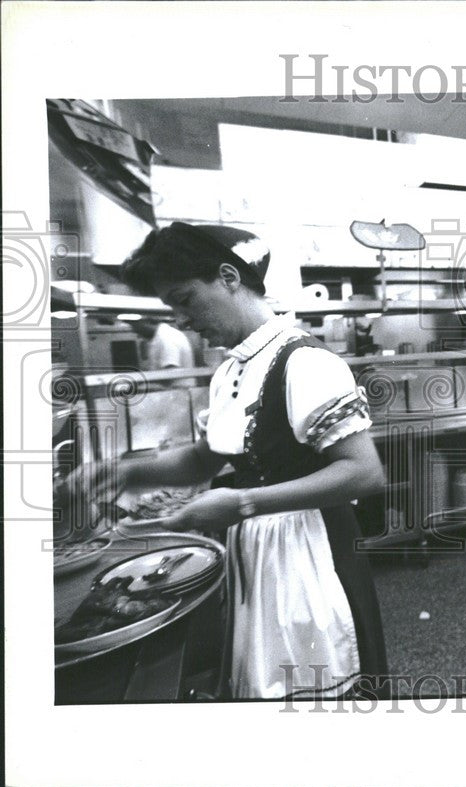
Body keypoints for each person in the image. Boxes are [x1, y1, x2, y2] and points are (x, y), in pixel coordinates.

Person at [71, 221, 388, 700]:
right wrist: (125, 470)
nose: (180, 319)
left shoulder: (306, 363)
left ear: (229, 277)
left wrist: (241, 503)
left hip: (310, 552)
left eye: (185, 299)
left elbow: (364, 473)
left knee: (312, 686)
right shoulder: (229, 371)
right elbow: (204, 459)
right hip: (255, 547)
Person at [131, 317, 196, 386]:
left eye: (135, 326)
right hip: (174, 391)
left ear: (145, 322)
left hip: (179, 391)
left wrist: (142, 383)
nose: (134, 330)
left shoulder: (166, 337)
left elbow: (170, 374)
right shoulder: (160, 336)